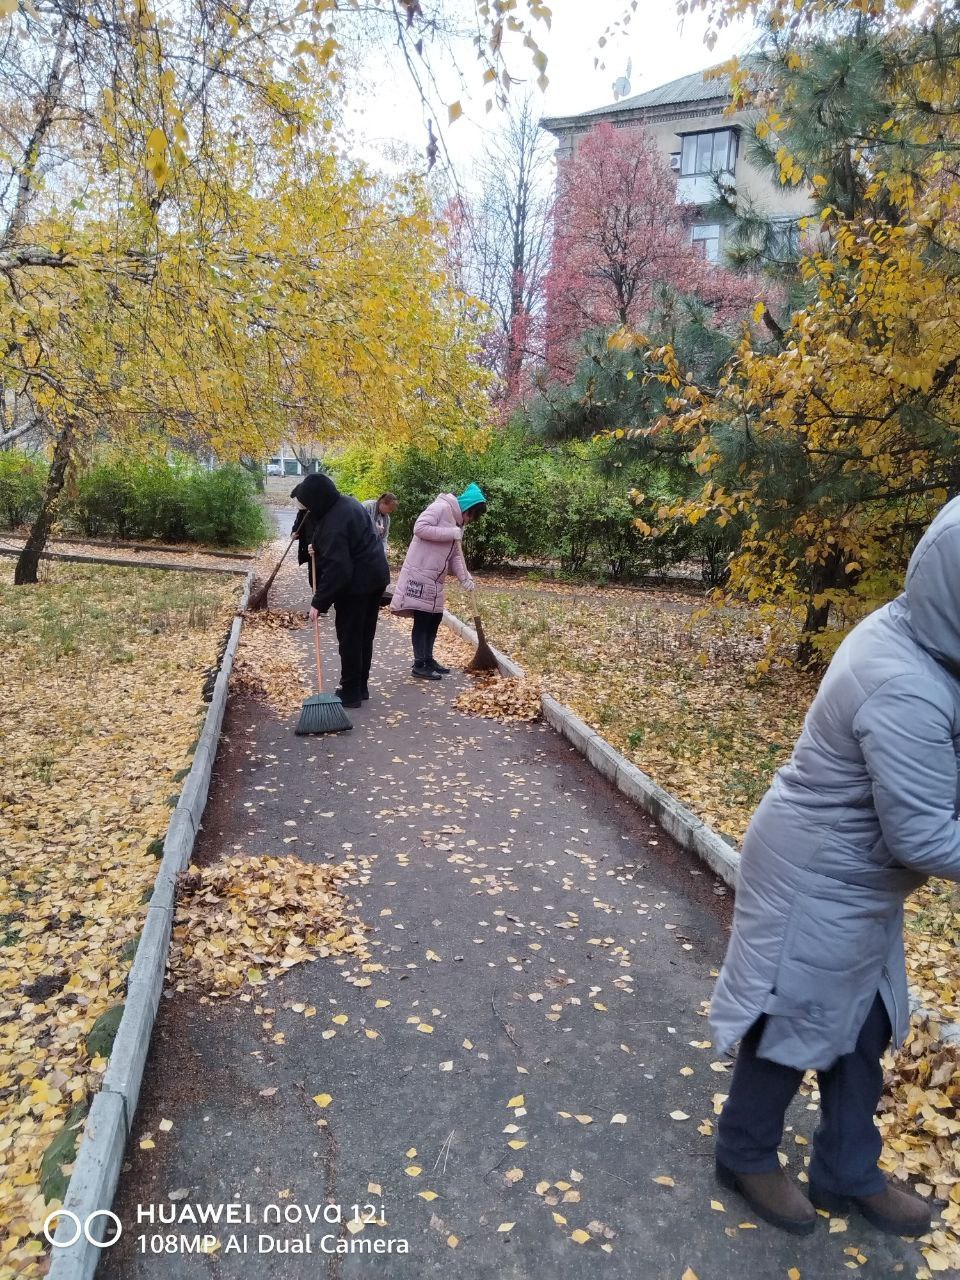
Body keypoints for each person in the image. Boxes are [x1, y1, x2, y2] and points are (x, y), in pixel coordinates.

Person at [709, 497, 960, 1239]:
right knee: (796, 1018)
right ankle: (743, 1154)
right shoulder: (905, 681)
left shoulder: (924, 633)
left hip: (856, 873)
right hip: (819, 873)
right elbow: (923, 835)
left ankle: (846, 1171)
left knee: (865, 1022)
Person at [290, 473, 389, 709]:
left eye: (308, 504)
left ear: (317, 500)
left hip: (357, 585)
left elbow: (339, 570)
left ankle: (350, 692)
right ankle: (360, 687)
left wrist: (318, 602)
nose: (307, 509)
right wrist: (318, 546)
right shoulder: (348, 503)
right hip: (375, 578)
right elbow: (348, 546)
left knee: (350, 638)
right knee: (364, 636)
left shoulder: (333, 523)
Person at [390, 483, 486, 680]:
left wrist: (465, 578)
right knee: (423, 619)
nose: (469, 521)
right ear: (467, 508)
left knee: (435, 617)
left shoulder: (458, 524)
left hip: (436, 579)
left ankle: (428, 659)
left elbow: (456, 556)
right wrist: (450, 532)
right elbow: (419, 528)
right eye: (471, 516)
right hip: (420, 574)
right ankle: (419, 665)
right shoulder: (441, 507)